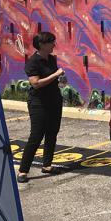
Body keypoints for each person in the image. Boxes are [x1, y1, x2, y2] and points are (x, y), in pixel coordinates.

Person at [17, 32, 64, 183]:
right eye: (51, 42)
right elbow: (35, 83)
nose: (54, 45)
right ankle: (23, 170)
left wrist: (60, 79)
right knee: (36, 135)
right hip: (38, 103)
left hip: (54, 100)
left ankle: (47, 165)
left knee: (52, 133)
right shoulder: (33, 62)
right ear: (42, 44)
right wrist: (56, 74)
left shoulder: (51, 59)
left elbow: (53, 79)